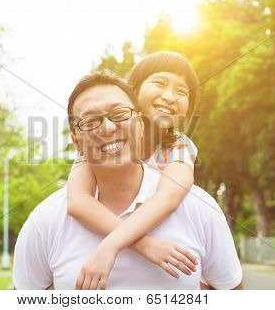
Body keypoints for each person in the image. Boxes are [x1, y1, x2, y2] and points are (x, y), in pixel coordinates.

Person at [13, 71, 243, 290]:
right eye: (91, 121)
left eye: (120, 114)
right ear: (76, 142)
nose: (108, 128)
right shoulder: (46, 220)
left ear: (141, 125)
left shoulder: (197, 206)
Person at [67, 52, 200, 289]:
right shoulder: (99, 142)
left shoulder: (178, 145)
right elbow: (78, 201)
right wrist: (146, 245)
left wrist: (111, 245)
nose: (170, 96)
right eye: (159, 83)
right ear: (133, 90)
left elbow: (169, 196)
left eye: (182, 92)